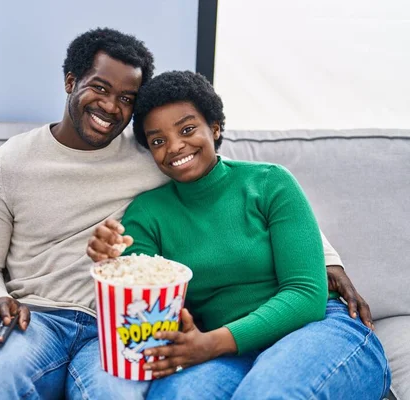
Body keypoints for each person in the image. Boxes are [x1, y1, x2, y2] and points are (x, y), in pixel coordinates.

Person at [0, 28, 372, 399]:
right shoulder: (7, 168)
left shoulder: (154, 154)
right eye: (99, 88)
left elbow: (240, 185)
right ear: (70, 82)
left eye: (125, 99)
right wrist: (2, 295)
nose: (110, 107)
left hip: (128, 327)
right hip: (44, 318)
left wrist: (325, 259)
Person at [87, 71, 391, 399]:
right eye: (158, 140)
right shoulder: (146, 214)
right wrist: (112, 261)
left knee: (268, 392)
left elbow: (306, 294)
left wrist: (212, 343)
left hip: (315, 329)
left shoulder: (270, 183)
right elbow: (141, 303)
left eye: (187, 129)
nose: (175, 147)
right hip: (225, 353)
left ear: (215, 128)